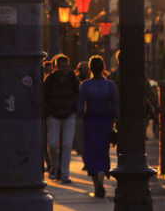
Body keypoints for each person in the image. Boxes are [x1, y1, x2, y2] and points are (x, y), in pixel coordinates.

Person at [78, 54, 119, 198]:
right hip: (105, 121)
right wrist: (114, 120)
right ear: (103, 68)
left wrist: (83, 116)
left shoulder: (85, 85)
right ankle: (101, 178)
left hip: (90, 121)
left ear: (90, 68)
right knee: (103, 151)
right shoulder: (110, 85)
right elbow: (115, 107)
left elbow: (80, 107)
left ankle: (96, 185)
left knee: (91, 152)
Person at [42, 54, 79, 184]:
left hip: (69, 115)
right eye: (62, 66)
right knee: (52, 144)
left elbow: (78, 94)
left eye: (66, 66)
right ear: (56, 67)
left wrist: (74, 108)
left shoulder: (72, 78)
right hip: (54, 115)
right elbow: (44, 96)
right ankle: (54, 168)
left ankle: (64, 174)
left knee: (67, 145)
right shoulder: (50, 79)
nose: (64, 69)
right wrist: (49, 111)